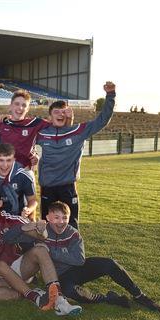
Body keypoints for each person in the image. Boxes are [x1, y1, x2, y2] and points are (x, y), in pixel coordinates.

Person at [0, 188, 82, 316]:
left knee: (40, 249)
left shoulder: (13, 220)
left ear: (0, 204)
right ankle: (32, 293)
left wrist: (41, 229)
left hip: (19, 267)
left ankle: (60, 301)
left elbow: (41, 236)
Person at [44, 201, 160, 312]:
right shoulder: (41, 232)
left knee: (109, 263)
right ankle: (109, 298)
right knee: (70, 291)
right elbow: (25, 238)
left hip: (77, 269)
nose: (61, 222)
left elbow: (79, 260)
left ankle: (139, 296)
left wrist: (53, 252)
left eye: (65, 218)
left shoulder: (73, 233)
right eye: (56, 218)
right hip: (60, 276)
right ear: (48, 218)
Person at [37, 82, 116, 229]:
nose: (60, 114)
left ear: (68, 114)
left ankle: (72, 251)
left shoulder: (78, 131)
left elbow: (102, 120)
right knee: (47, 226)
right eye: (56, 112)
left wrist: (110, 95)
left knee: (71, 225)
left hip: (68, 187)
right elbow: (22, 139)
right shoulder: (42, 133)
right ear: (50, 116)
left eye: (63, 112)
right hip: (47, 187)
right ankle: (47, 251)